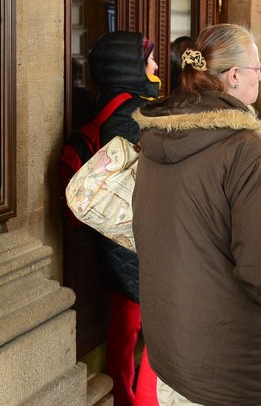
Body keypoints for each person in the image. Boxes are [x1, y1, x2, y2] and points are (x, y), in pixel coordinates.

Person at [132, 24, 261, 405]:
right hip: (224, 352)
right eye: (259, 70)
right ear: (234, 76)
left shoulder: (158, 136)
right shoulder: (248, 150)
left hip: (170, 341)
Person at [85, 31, 161, 406]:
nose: (156, 66)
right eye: (149, 60)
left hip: (116, 231)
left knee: (126, 320)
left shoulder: (110, 104)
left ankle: (123, 394)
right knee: (158, 326)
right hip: (135, 232)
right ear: (129, 65)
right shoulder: (129, 113)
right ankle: (141, 399)